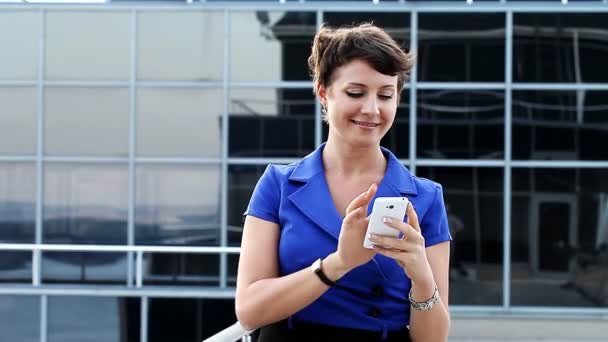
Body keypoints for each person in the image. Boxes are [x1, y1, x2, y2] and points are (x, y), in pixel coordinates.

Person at [235, 23, 452, 342]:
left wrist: (421, 277)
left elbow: (433, 339)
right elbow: (250, 310)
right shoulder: (279, 185)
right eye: (356, 92)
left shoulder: (426, 198)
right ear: (323, 92)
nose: (372, 109)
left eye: (386, 95)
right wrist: (339, 264)